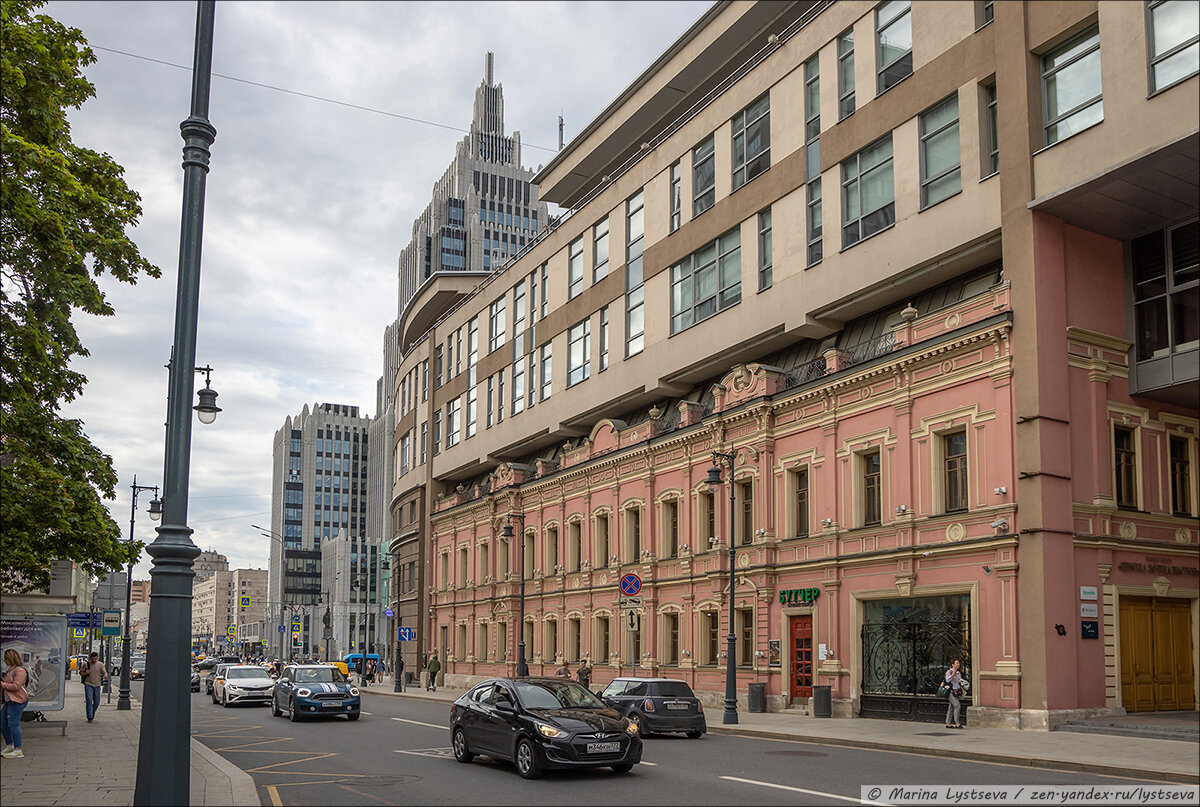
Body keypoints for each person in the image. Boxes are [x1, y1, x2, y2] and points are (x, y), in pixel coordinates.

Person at [2, 649, 30, 758]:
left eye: (6, 658)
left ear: (10, 658)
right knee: (3, 723)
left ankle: (18, 749)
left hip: (17, 700)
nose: (4, 661)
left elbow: (16, 686)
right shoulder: (10, 670)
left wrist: (2, 684)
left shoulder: (19, 671)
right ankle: (10, 745)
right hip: (9, 700)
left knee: (13, 724)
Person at [80, 651, 108, 723]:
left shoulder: (100, 664)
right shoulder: (86, 664)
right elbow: (81, 673)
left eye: (95, 659)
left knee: (97, 701)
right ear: (90, 658)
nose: (94, 660)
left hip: (97, 685)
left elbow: (104, 671)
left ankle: (92, 712)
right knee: (89, 700)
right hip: (88, 684)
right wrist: (86, 672)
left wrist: (105, 675)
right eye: (93, 659)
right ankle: (90, 716)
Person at [945, 658, 965, 729]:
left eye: (958, 663)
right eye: (957, 663)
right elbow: (947, 680)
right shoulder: (949, 672)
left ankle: (948, 723)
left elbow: (959, 681)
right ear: (952, 664)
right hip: (950, 692)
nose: (958, 664)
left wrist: (961, 681)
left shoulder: (958, 673)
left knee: (951, 707)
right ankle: (957, 723)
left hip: (956, 692)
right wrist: (953, 674)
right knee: (957, 705)